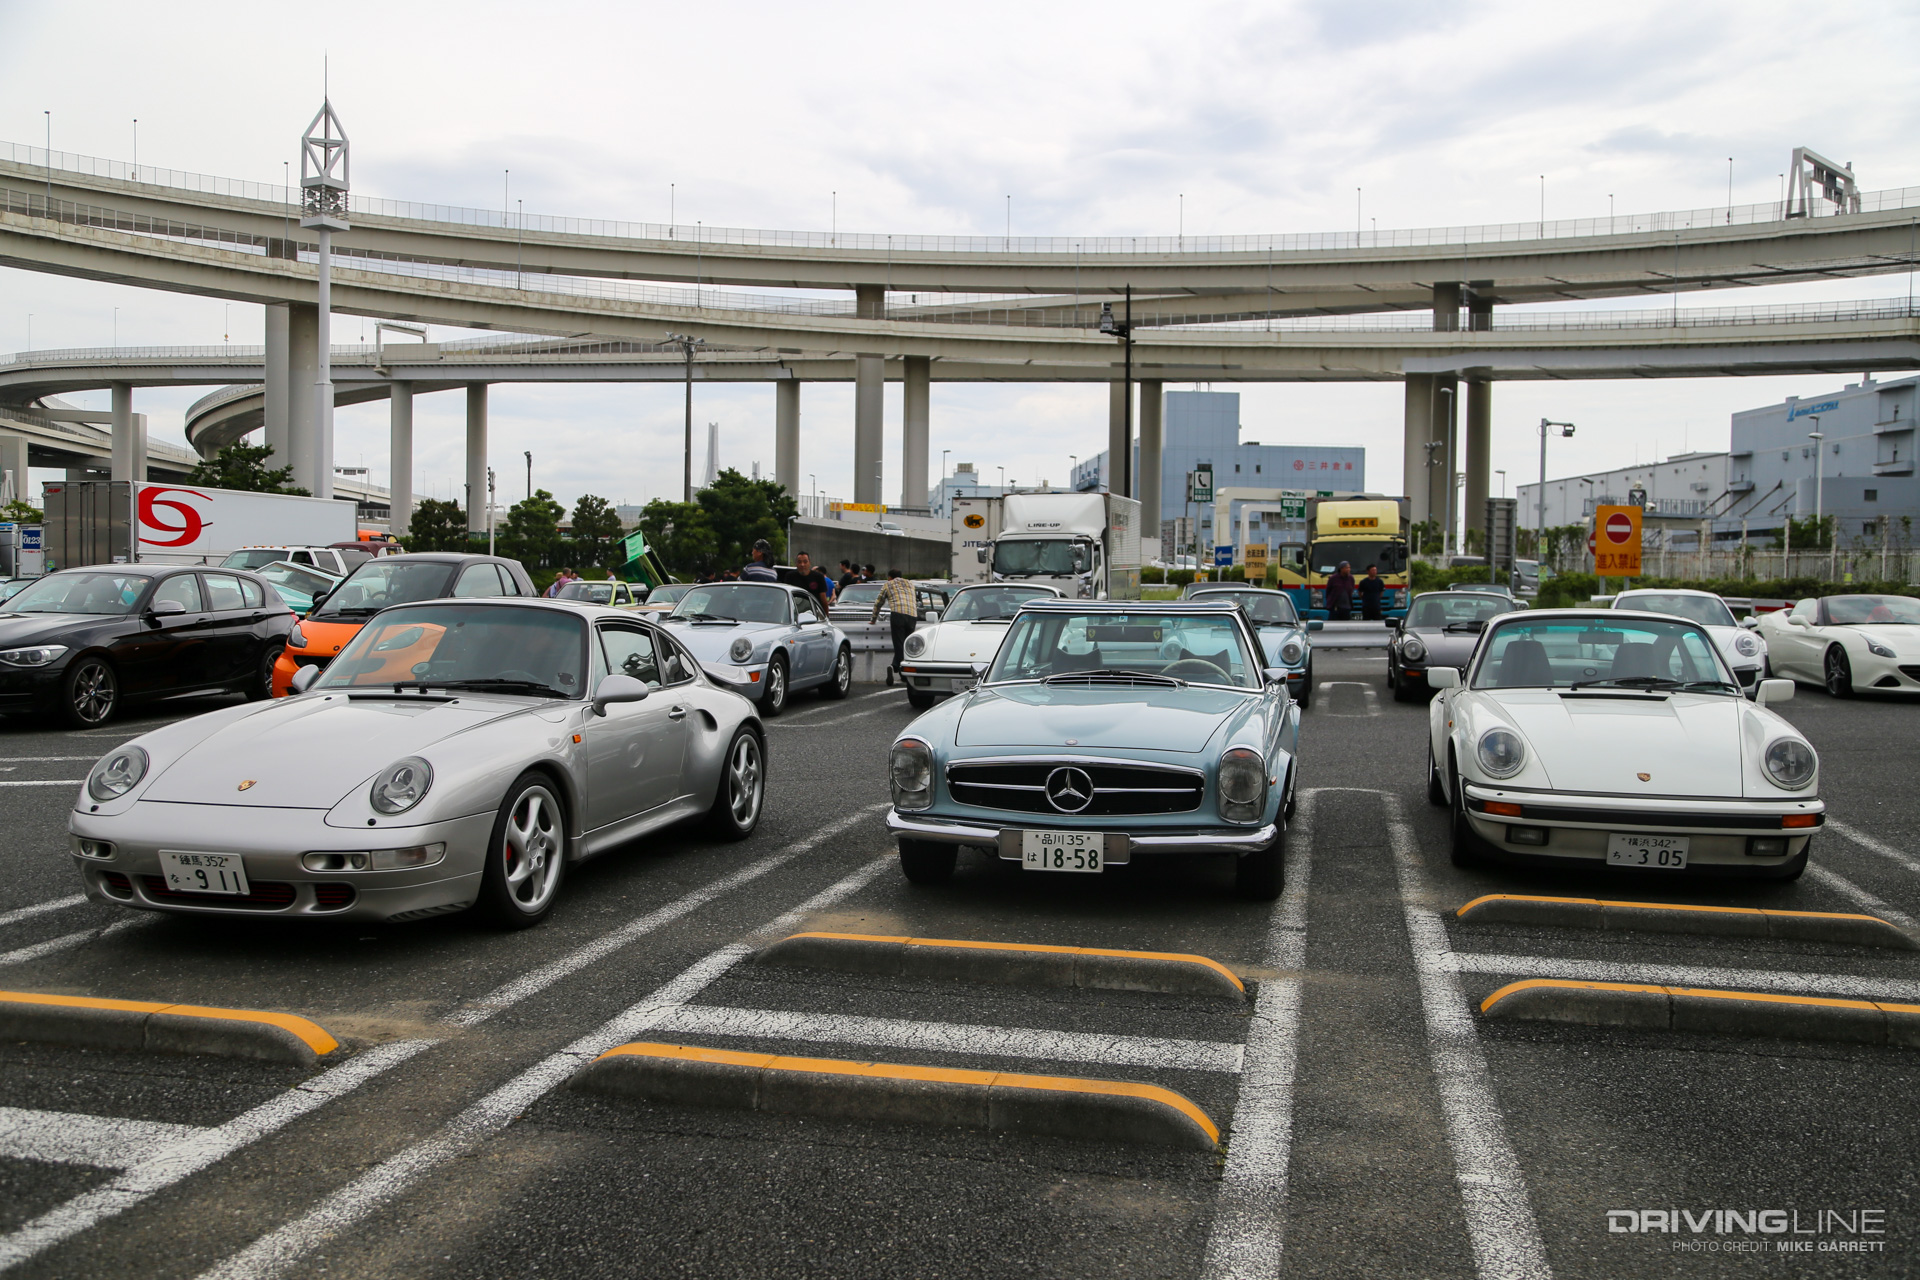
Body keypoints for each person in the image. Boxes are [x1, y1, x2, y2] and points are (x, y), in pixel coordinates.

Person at [871, 567, 919, 686]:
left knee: (899, 644)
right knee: (907, 646)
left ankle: (895, 667)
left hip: (898, 614)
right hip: (912, 615)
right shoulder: (910, 584)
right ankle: (904, 675)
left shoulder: (888, 584)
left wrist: (873, 619)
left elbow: (879, 602)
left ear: (890, 577)